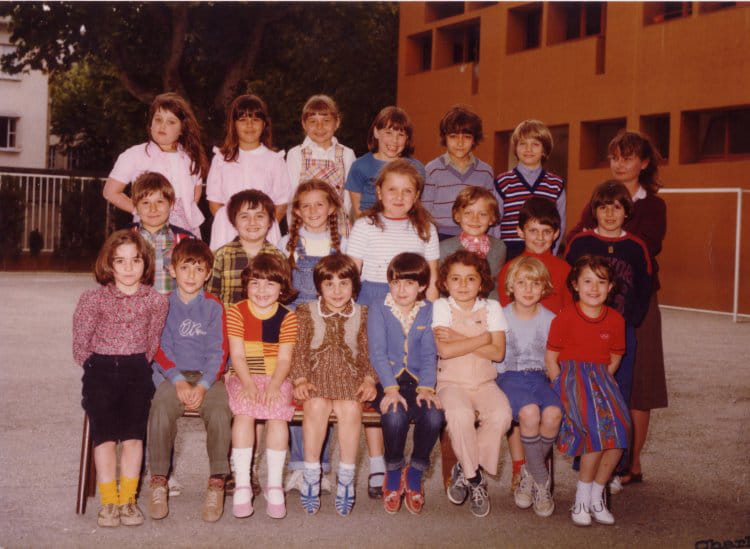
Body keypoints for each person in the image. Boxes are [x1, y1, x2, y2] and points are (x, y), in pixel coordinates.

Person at [568, 130, 667, 489]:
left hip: (634, 302)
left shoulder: (653, 205)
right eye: (615, 157)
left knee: (638, 381)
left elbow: (647, 246)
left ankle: (630, 462)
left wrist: (613, 234)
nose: (620, 164)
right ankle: (594, 457)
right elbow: (577, 237)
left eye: (628, 157)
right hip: (593, 302)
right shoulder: (601, 197)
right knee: (593, 378)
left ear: (644, 162)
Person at [347, 158, 440, 496]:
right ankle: (378, 463)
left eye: (407, 191)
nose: (399, 197)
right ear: (379, 192)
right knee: (375, 376)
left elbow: (432, 278)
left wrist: (430, 313)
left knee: (410, 371)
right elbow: (353, 270)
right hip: (373, 297)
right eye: (392, 190)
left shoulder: (425, 228)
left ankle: (405, 463)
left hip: (413, 299)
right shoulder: (365, 225)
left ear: (417, 195)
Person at [72, 230, 168, 527]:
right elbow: (80, 343)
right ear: (108, 264)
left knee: (133, 438)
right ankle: (109, 502)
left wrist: (136, 363)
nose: (128, 268)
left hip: (136, 371)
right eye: (120, 261)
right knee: (104, 438)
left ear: (146, 263)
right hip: (100, 371)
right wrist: (94, 365)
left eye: (135, 260)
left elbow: (152, 341)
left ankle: (127, 500)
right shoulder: (92, 299)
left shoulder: (156, 301)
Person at [147, 239, 231, 523]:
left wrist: (205, 385)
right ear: (172, 270)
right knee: (160, 408)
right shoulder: (163, 305)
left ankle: (216, 482)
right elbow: (160, 348)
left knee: (220, 411)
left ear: (208, 274)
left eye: (199, 269)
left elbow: (219, 352)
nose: (192, 275)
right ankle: (159, 479)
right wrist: (178, 380)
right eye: (185, 268)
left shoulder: (214, 307)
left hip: (209, 377)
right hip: (173, 376)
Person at [546, 255, 631, 526]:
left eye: (601, 282)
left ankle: (597, 494)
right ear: (575, 285)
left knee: (621, 431)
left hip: (601, 377)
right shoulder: (565, 317)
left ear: (610, 287)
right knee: (596, 432)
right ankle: (581, 497)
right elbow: (551, 358)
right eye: (587, 281)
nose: (594, 288)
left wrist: (603, 383)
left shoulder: (615, 320)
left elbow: (615, 358)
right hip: (571, 377)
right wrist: (560, 387)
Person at [290, 254, 378, 516]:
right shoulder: (306, 311)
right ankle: (311, 472)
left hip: (350, 376)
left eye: (344, 284)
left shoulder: (363, 314)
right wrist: (300, 378)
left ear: (354, 286)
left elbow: (369, 352)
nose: (337, 291)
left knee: (351, 409)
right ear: (319, 287)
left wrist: (369, 379)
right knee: (315, 406)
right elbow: (299, 350)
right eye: (329, 284)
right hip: (315, 375)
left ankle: (346, 477)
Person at [565, 181, 652, 438]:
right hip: (585, 331)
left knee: (619, 392)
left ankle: (617, 459)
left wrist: (631, 321)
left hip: (621, 331)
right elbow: (567, 283)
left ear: (627, 211)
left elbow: (644, 287)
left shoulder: (636, 246)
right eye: (603, 208)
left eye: (616, 207)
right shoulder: (580, 243)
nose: (610, 214)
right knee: (586, 392)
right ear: (594, 211)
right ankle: (585, 454)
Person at [277, 179, 347, 494]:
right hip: (297, 325)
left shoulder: (343, 244)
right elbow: (282, 291)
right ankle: (297, 466)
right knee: (299, 394)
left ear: (332, 208)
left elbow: (348, 290)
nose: (313, 210)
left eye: (320, 204)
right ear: (297, 212)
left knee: (325, 394)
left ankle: (321, 467)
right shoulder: (287, 244)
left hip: (332, 327)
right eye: (305, 206)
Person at [433, 250, 511, 518]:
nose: (463, 285)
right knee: (460, 414)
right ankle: (475, 478)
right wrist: (482, 338)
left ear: (481, 282)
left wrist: (459, 337)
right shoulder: (442, 306)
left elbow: (498, 353)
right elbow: (445, 350)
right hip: (451, 383)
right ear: (445, 282)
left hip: (485, 382)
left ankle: (464, 468)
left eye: (470, 279)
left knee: (502, 415)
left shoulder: (492, 308)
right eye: (456, 278)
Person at [368, 253, 444, 515]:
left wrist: (427, 387)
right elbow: (377, 352)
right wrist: (390, 389)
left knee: (434, 415)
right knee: (394, 415)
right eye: (396, 282)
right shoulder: (379, 307)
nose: (401, 290)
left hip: (417, 381)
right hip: (386, 378)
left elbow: (429, 354)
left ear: (421, 286)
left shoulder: (429, 310)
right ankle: (393, 471)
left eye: (409, 283)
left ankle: (415, 473)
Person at [225, 253, 299, 519]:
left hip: (276, 376)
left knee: (278, 415)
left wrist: (274, 386)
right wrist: (247, 384)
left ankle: (275, 485)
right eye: (255, 283)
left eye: (270, 284)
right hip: (244, 375)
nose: (262, 290)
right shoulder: (237, 312)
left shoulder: (288, 317)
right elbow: (237, 355)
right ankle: (243, 484)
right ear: (246, 286)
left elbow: (284, 359)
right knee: (244, 413)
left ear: (282, 288)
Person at [496, 256, 561, 517]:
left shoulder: (551, 319)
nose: (528, 289)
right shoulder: (500, 316)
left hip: (539, 377)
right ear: (511, 286)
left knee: (553, 414)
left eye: (535, 283)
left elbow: (554, 359)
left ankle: (528, 473)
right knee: (530, 412)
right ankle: (542, 481)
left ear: (544, 288)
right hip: (509, 377)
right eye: (522, 283)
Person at [104, 93, 208, 237]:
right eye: (158, 119)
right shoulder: (134, 155)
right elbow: (110, 192)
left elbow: (196, 191)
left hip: (185, 231)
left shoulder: (190, 158)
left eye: (171, 122)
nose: (162, 126)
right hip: (149, 229)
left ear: (182, 129)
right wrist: (139, 209)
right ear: (151, 123)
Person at [206, 94, 291, 250]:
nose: (249, 125)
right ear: (233, 124)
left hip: (263, 233)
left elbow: (281, 203)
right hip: (228, 231)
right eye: (243, 120)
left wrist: (260, 228)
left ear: (264, 124)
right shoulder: (221, 160)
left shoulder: (275, 160)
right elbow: (214, 201)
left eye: (255, 119)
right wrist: (236, 227)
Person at [422, 105, 499, 240]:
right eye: (453, 136)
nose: (460, 143)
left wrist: (491, 240)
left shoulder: (485, 172)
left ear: (474, 139)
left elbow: (490, 210)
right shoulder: (432, 169)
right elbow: (424, 211)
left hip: (476, 235)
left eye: (467, 137)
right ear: (444, 137)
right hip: (440, 236)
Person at [494, 120, 566, 260]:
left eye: (535, 144)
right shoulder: (503, 182)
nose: (528, 149)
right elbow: (495, 223)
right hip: (510, 252)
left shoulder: (556, 184)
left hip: (543, 249)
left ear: (544, 150)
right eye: (523, 144)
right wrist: (498, 255)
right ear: (515, 148)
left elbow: (560, 223)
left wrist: (552, 253)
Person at [285, 94, 356, 236]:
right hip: (305, 227)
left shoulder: (347, 154)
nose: (320, 127)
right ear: (304, 124)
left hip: (338, 229)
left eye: (326, 121)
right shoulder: (296, 154)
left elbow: (349, 199)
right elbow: (292, 196)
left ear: (337, 122)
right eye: (313, 121)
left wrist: (344, 231)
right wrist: (294, 231)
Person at [207, 189, 286, 308]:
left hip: (267, 319)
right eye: (244, 216)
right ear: (234, 222)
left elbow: (284, 297)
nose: (252, 222)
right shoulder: (220, 256)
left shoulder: (279, 258)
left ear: (270, 221)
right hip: (229, 319)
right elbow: (210, 297)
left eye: (259, 216)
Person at [345, 106, 426, 218]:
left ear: (407, 138)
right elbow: (358, 210)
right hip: (370, 224)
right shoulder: (359, 166)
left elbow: (417, 206)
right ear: (376, 132)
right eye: (388, 133)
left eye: (401, 135)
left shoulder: (416, 168)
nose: (394, 140)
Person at [126, 172, 194, 296]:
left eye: (160, 202)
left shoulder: (186, 240)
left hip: (172, 307)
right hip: (133, 306)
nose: (153, 209)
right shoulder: (123, 239)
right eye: (145, 203)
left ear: (171, 204)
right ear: (135, 207)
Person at [439, 186, 506, 299]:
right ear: (457, 216)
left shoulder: (499, 247)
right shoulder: (444, 248)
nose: (475, 219)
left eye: (482, 214)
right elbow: (442, 287)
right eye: (468, 213)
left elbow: (496, 285)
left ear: (492, 218)